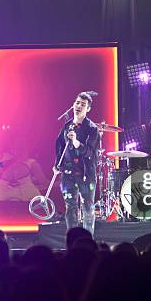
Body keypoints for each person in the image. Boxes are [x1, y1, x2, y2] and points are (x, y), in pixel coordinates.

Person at [53, 92, 100, 234]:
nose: (79, 106)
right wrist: (57, 164)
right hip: (68, 173)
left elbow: (91, 153)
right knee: (70, 208)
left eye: (83, 104)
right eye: (77, 103)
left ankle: (87, 242)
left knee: (88, 209)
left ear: (88, 109)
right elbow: (59, 145)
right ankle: (72, 241)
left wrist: (76, 142)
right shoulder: (67, 126)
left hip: (86, 174)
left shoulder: (92, 129)